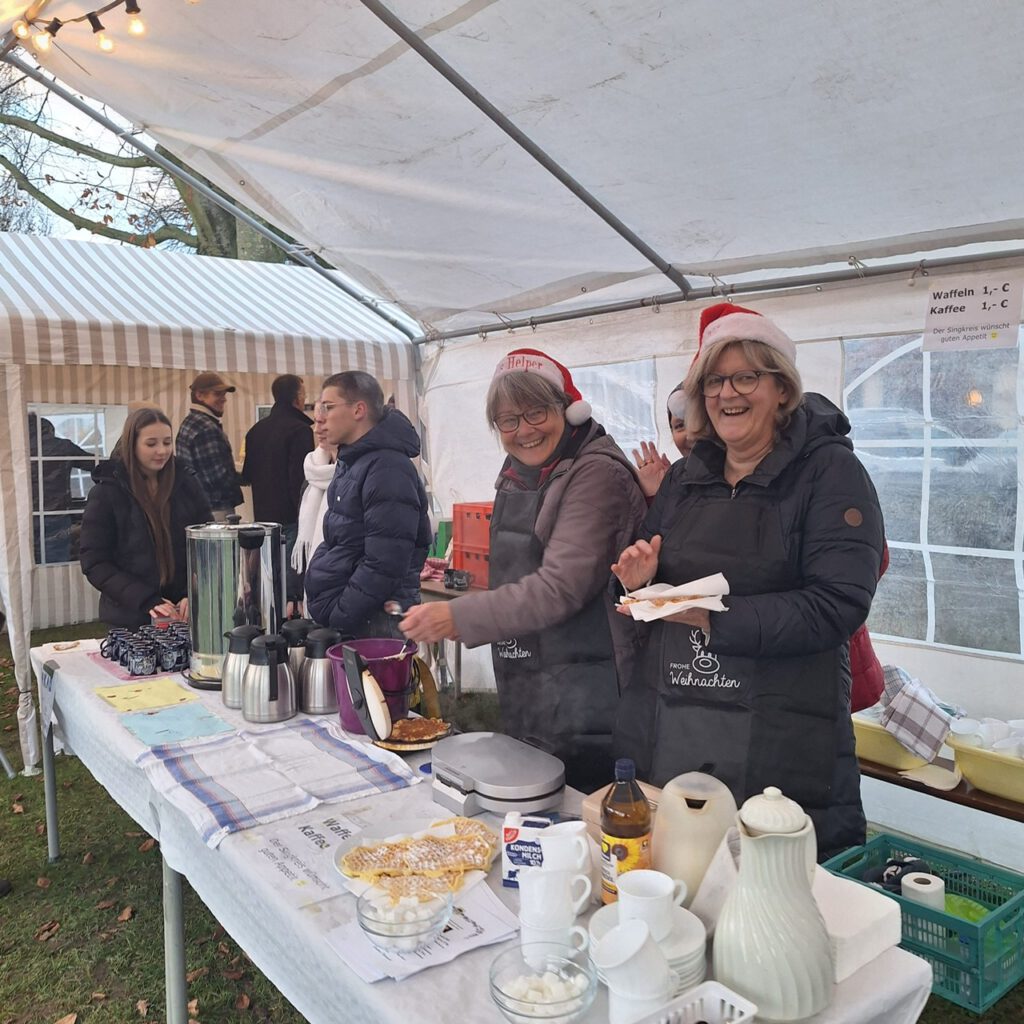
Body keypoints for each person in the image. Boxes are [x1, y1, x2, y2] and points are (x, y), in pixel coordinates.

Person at [612, 303, 884, 858]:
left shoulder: (830, 471)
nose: (727, 394)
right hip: (678, 721)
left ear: (782, 389)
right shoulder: (685, 477)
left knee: (768, 883)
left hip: (782, 732)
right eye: (714, 381)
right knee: (681, 868)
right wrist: (638, 578)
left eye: (745, 377)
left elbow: (838, 602)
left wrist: (713, 616)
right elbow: (649, 570)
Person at [400, 349, 647, 791]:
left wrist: (458, 616)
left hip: (593, 679)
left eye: (536, 413)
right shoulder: (517, 473)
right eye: (508, 421)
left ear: (567, 410)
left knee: (582, 798)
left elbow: (561, 585)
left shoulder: (597, 475)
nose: (524, 431)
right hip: (530, 670)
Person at [304, 372, 431, 639]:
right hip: (358, 618)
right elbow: (340, 540)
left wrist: (341, 613)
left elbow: (385, 563)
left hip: (375, 622)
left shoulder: (387, 468)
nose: (321, 418)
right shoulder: (353, 462)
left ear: (358, 410)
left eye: (328, 407)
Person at [80, 408, 212, 628]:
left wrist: (195, 591)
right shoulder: (107, 493)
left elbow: (207, 546)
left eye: (167, 442)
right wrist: (145, 599)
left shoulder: (188, 484)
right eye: (151, 444)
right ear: (132, 444)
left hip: (186, 616)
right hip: (130, 618)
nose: (162, 451)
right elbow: (95, 562)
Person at [241, 374, 315, 597]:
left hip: (262, 517)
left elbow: (246, 475)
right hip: (291, 517)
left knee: (268, 581)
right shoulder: (300, 430)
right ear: (297, 398)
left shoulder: (255, 431)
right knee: (291, 586)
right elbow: (300, 480)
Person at [27, 414, 97, 562]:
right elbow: (95, 464)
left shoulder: (14, 450)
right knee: (56, 565)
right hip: (56, 515)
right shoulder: (62, 447)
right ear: (48, 430)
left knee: (24, 564)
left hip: (23, 517)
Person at [175, 371, 243, 520]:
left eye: (224, 394)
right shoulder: (206, 428)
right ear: (199, 395)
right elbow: (217, 477)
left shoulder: (189, 422)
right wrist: (247, 477)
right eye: (217, 394)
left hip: (197, 505)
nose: (224, 399)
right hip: (216, 507)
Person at [290, 418, 339, 611]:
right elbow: (302, 537)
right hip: (315, 588)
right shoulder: (313, 471)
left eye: (325, 421)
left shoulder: (356, 473)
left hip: (340, 590)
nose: (318, 429)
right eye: (316, 422)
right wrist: (295, 593)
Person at [631, 383, 693, 499]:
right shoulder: (675, 480)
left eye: (700, 421)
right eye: (680, 426)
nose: (690, 435)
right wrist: (661, 492)